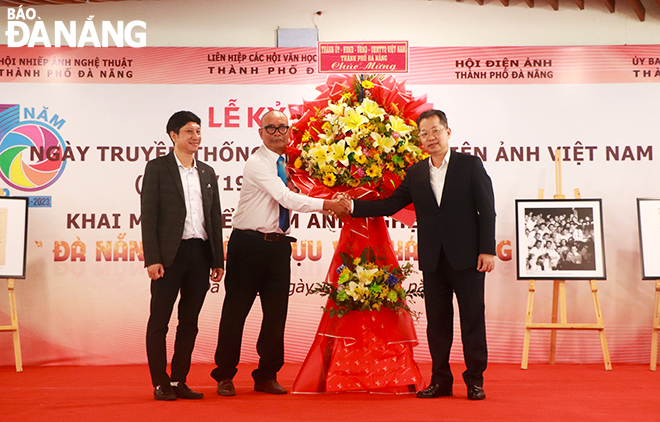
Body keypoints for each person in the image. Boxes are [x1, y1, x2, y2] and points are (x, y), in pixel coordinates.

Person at [341, 109, 496, 401]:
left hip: (469, 258)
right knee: (437, 324)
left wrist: (487, 249)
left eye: (435, 131)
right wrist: (352, 207)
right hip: (433, 259)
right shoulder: (416, 173)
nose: (430, 137)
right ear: (419, 139)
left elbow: (486, 209)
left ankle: (475, 380)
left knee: (472, 320)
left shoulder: (470, 165)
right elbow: (389, 205)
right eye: (424, 133)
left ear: (447, 132)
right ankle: (441, 381)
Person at [211, 110, 349, 396]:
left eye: (282, 128)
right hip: (247, 245)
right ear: (260, 133)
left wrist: (339, 196)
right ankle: (224, 375)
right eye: (270, 128)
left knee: (276, 316)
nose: (276, 133)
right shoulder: (258, 163)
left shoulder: (291, 165)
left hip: (278, 247)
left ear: (289, 132)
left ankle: (267, 374)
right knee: (235, 313)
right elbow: (285, 198)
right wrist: (328, 206)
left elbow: (312, 187)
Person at [141, 110, 225, 401]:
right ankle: (160, 382)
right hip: (168, 257)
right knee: (159, 321)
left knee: (189, 322)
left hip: (199, 254)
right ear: (173, 136)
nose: (196, 137)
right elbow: (148, 217)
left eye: (199, 131)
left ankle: (179, 380)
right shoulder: (158, 168)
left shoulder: (207, 172)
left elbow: (214, 218)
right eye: (189, 131)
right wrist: (152, 258)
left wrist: (217, 260)